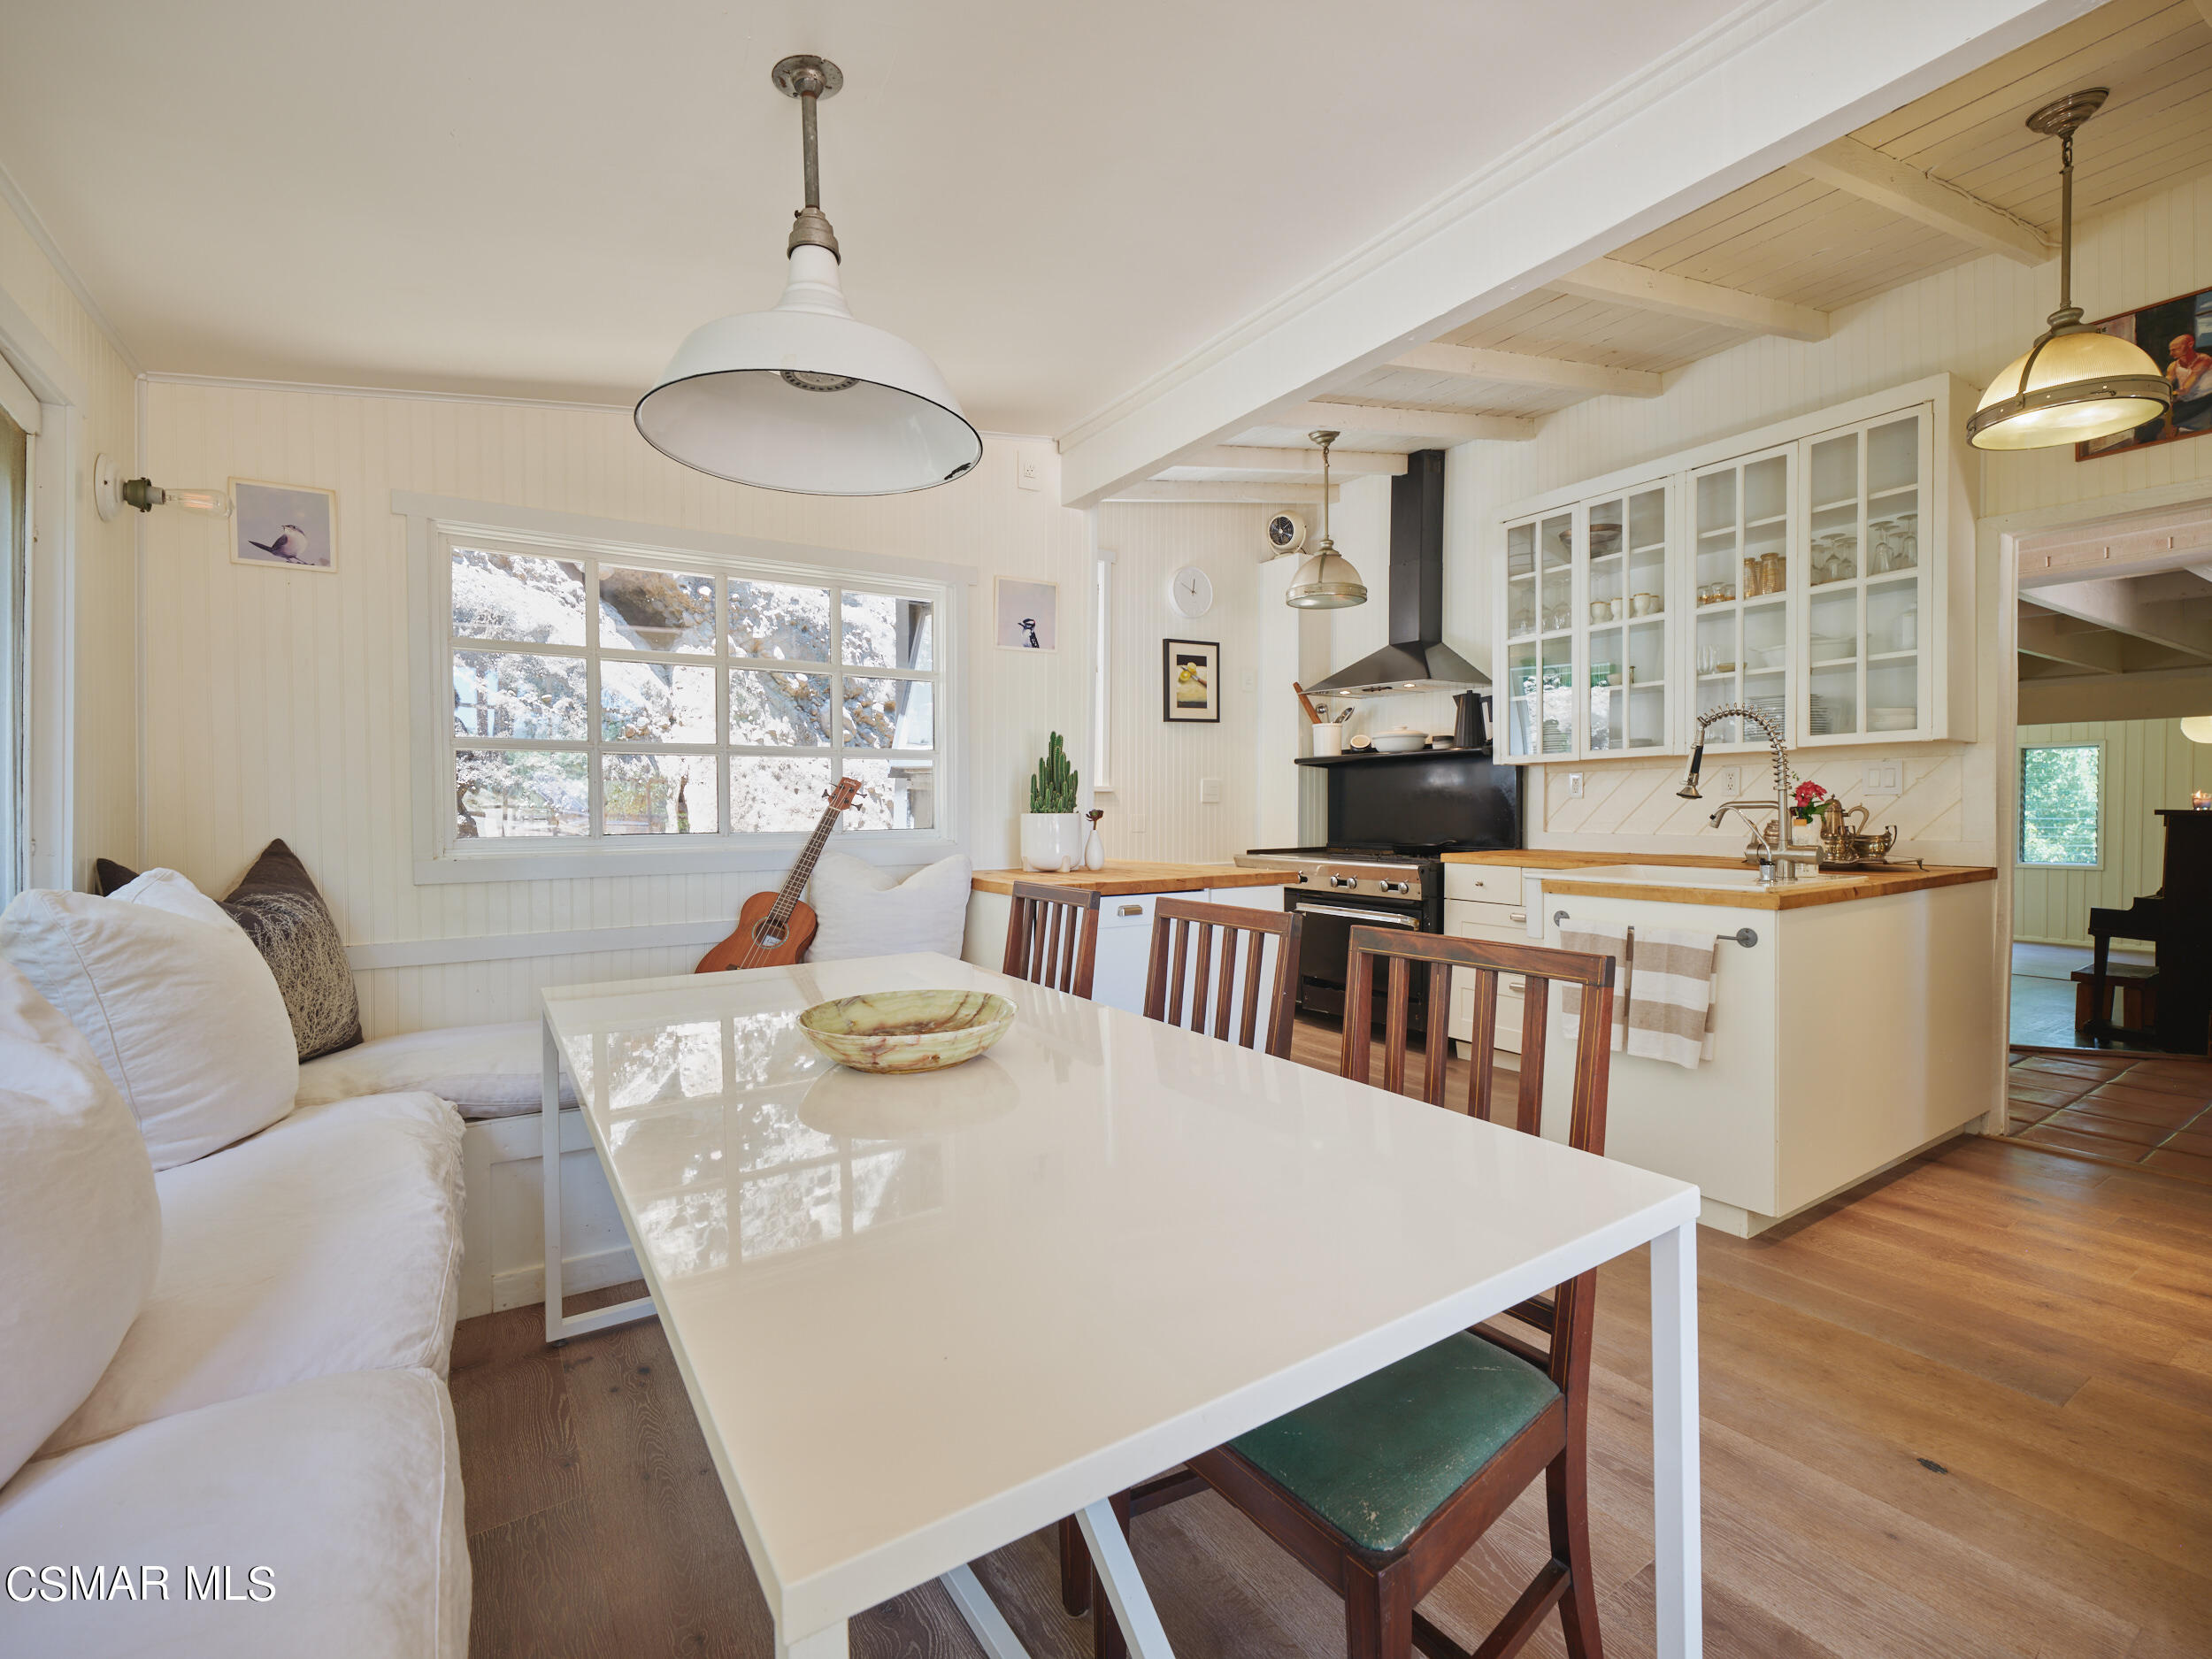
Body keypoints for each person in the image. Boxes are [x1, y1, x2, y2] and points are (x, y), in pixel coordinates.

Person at [2168, 333, 2212, 434]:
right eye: (2171, 350)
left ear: (2190, 344)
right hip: (2187, 401)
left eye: (2175, 349)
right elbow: (2167, 382)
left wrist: (2171, 397)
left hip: (2206, 399)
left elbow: (2187, 388)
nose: (2171, 353)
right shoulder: (2173, 366)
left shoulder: (2204, 359)